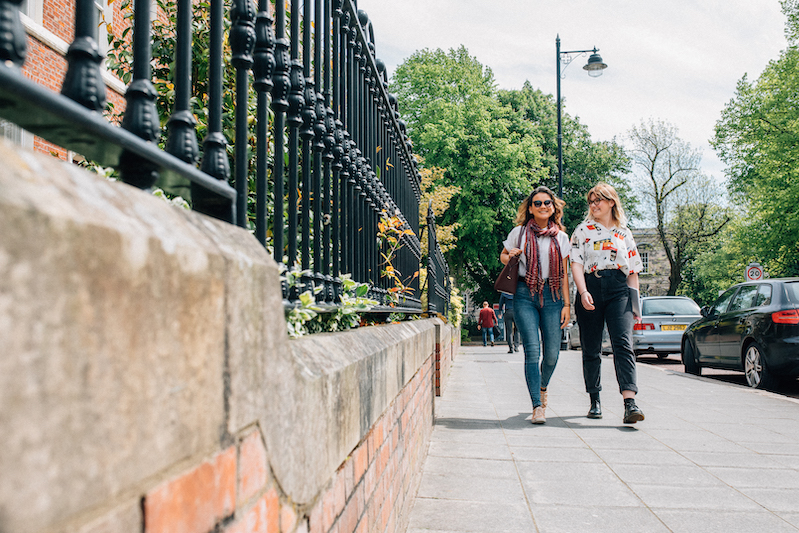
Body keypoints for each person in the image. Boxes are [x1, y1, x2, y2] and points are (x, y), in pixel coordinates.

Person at [570, 182, 645, 424]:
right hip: (591, 286)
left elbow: (633, 271)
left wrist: (636, 307)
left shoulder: (624, 233)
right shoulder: (582, 230)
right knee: (591, 347)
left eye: (598, 200)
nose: (593, 205)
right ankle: (595, 400)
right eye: (591, 202)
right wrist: (582, 292)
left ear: (611, 202)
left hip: (619, 289)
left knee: (623, 344)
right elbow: (576, 263)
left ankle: (629, 403)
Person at [500, 186, 570, 424]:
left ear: (553, 207)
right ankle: (537, 406)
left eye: (547, 203)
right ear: (530, 208)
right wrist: (510, 256)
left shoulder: (561, 237)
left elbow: (564, 273)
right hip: (523, 293)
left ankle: (542, 386)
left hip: (552, 295)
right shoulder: (519, 232)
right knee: (532, 350)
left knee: (551, 354)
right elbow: (503, 255)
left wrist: (567, 304)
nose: (542, 207)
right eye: (537, 203)